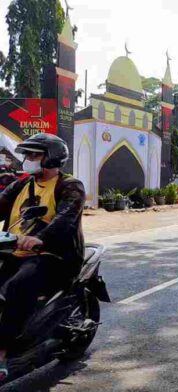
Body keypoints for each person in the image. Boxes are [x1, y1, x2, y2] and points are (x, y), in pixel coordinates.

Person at [0, 133, 85, 381]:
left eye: (34, 155)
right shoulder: (22, 184)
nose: (27, 159)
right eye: (27, 154)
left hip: (53, 255)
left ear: (52, 158)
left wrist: (41, 238)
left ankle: (3, 355)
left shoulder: (70, 185)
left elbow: (66, 218)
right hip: (14, 251)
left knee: (16, 287)